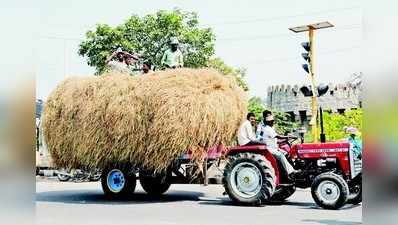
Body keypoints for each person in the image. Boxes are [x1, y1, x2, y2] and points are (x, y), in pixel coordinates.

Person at [256, 112, 298, 177]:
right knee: (280, 155)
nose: (273, 122)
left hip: (274, 147)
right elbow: (278, 136)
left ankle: (290, 170)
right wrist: (289, 137)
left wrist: (286, 139)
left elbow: (275, 139)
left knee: (287, 153)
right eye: (272, 121)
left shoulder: (268, 128)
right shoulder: (267, 129)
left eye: (273, 121)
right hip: (269, 149)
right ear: (268, 122)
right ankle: (291, 172)